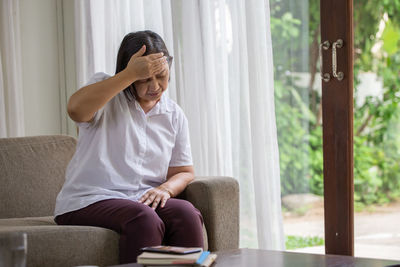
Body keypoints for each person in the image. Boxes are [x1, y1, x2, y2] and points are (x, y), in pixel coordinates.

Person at [54, 30, 204, 264]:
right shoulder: (106, 92)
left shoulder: (174, 115)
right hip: (89, 199)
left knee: (187, 214)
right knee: (144, 218)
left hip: (138, 200)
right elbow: (75, 109)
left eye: (161, 76)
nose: (155, 86)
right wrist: (129, 74)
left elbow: (184, 171)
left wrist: (165, 189)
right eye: (144, 79)